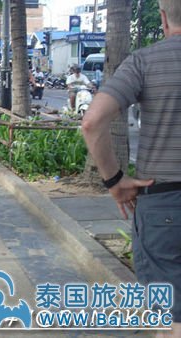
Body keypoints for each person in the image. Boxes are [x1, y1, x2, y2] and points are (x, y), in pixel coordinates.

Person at [82, 1, 181, 335]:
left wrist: (115, 180)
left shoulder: (145, 61)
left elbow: (93, 122)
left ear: (164, 18)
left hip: (166, 208)